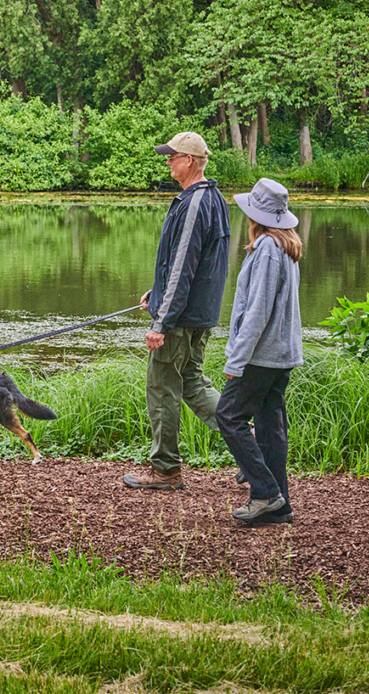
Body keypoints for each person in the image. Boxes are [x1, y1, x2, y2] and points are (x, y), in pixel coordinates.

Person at [122, 132, 231, 491]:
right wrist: (158, 292)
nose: (167, 161)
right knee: (193, 382)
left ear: (190, 161)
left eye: (172, 156)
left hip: (182, 319)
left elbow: (185, 263)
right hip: (196, 313)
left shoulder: (195, 202)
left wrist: (162, 321)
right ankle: (250, 445)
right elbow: (190, 264)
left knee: (163, 386)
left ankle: (165, 470)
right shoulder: (211, 198)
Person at [217, 178, 303, 522]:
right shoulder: (285, 245)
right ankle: (278, 506)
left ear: (256, 215)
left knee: (229, 416)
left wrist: (236, 359)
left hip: (262, 355)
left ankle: (266, 492)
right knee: (269, 426)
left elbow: (257, 310)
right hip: (281, 355)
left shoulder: (267, 247)